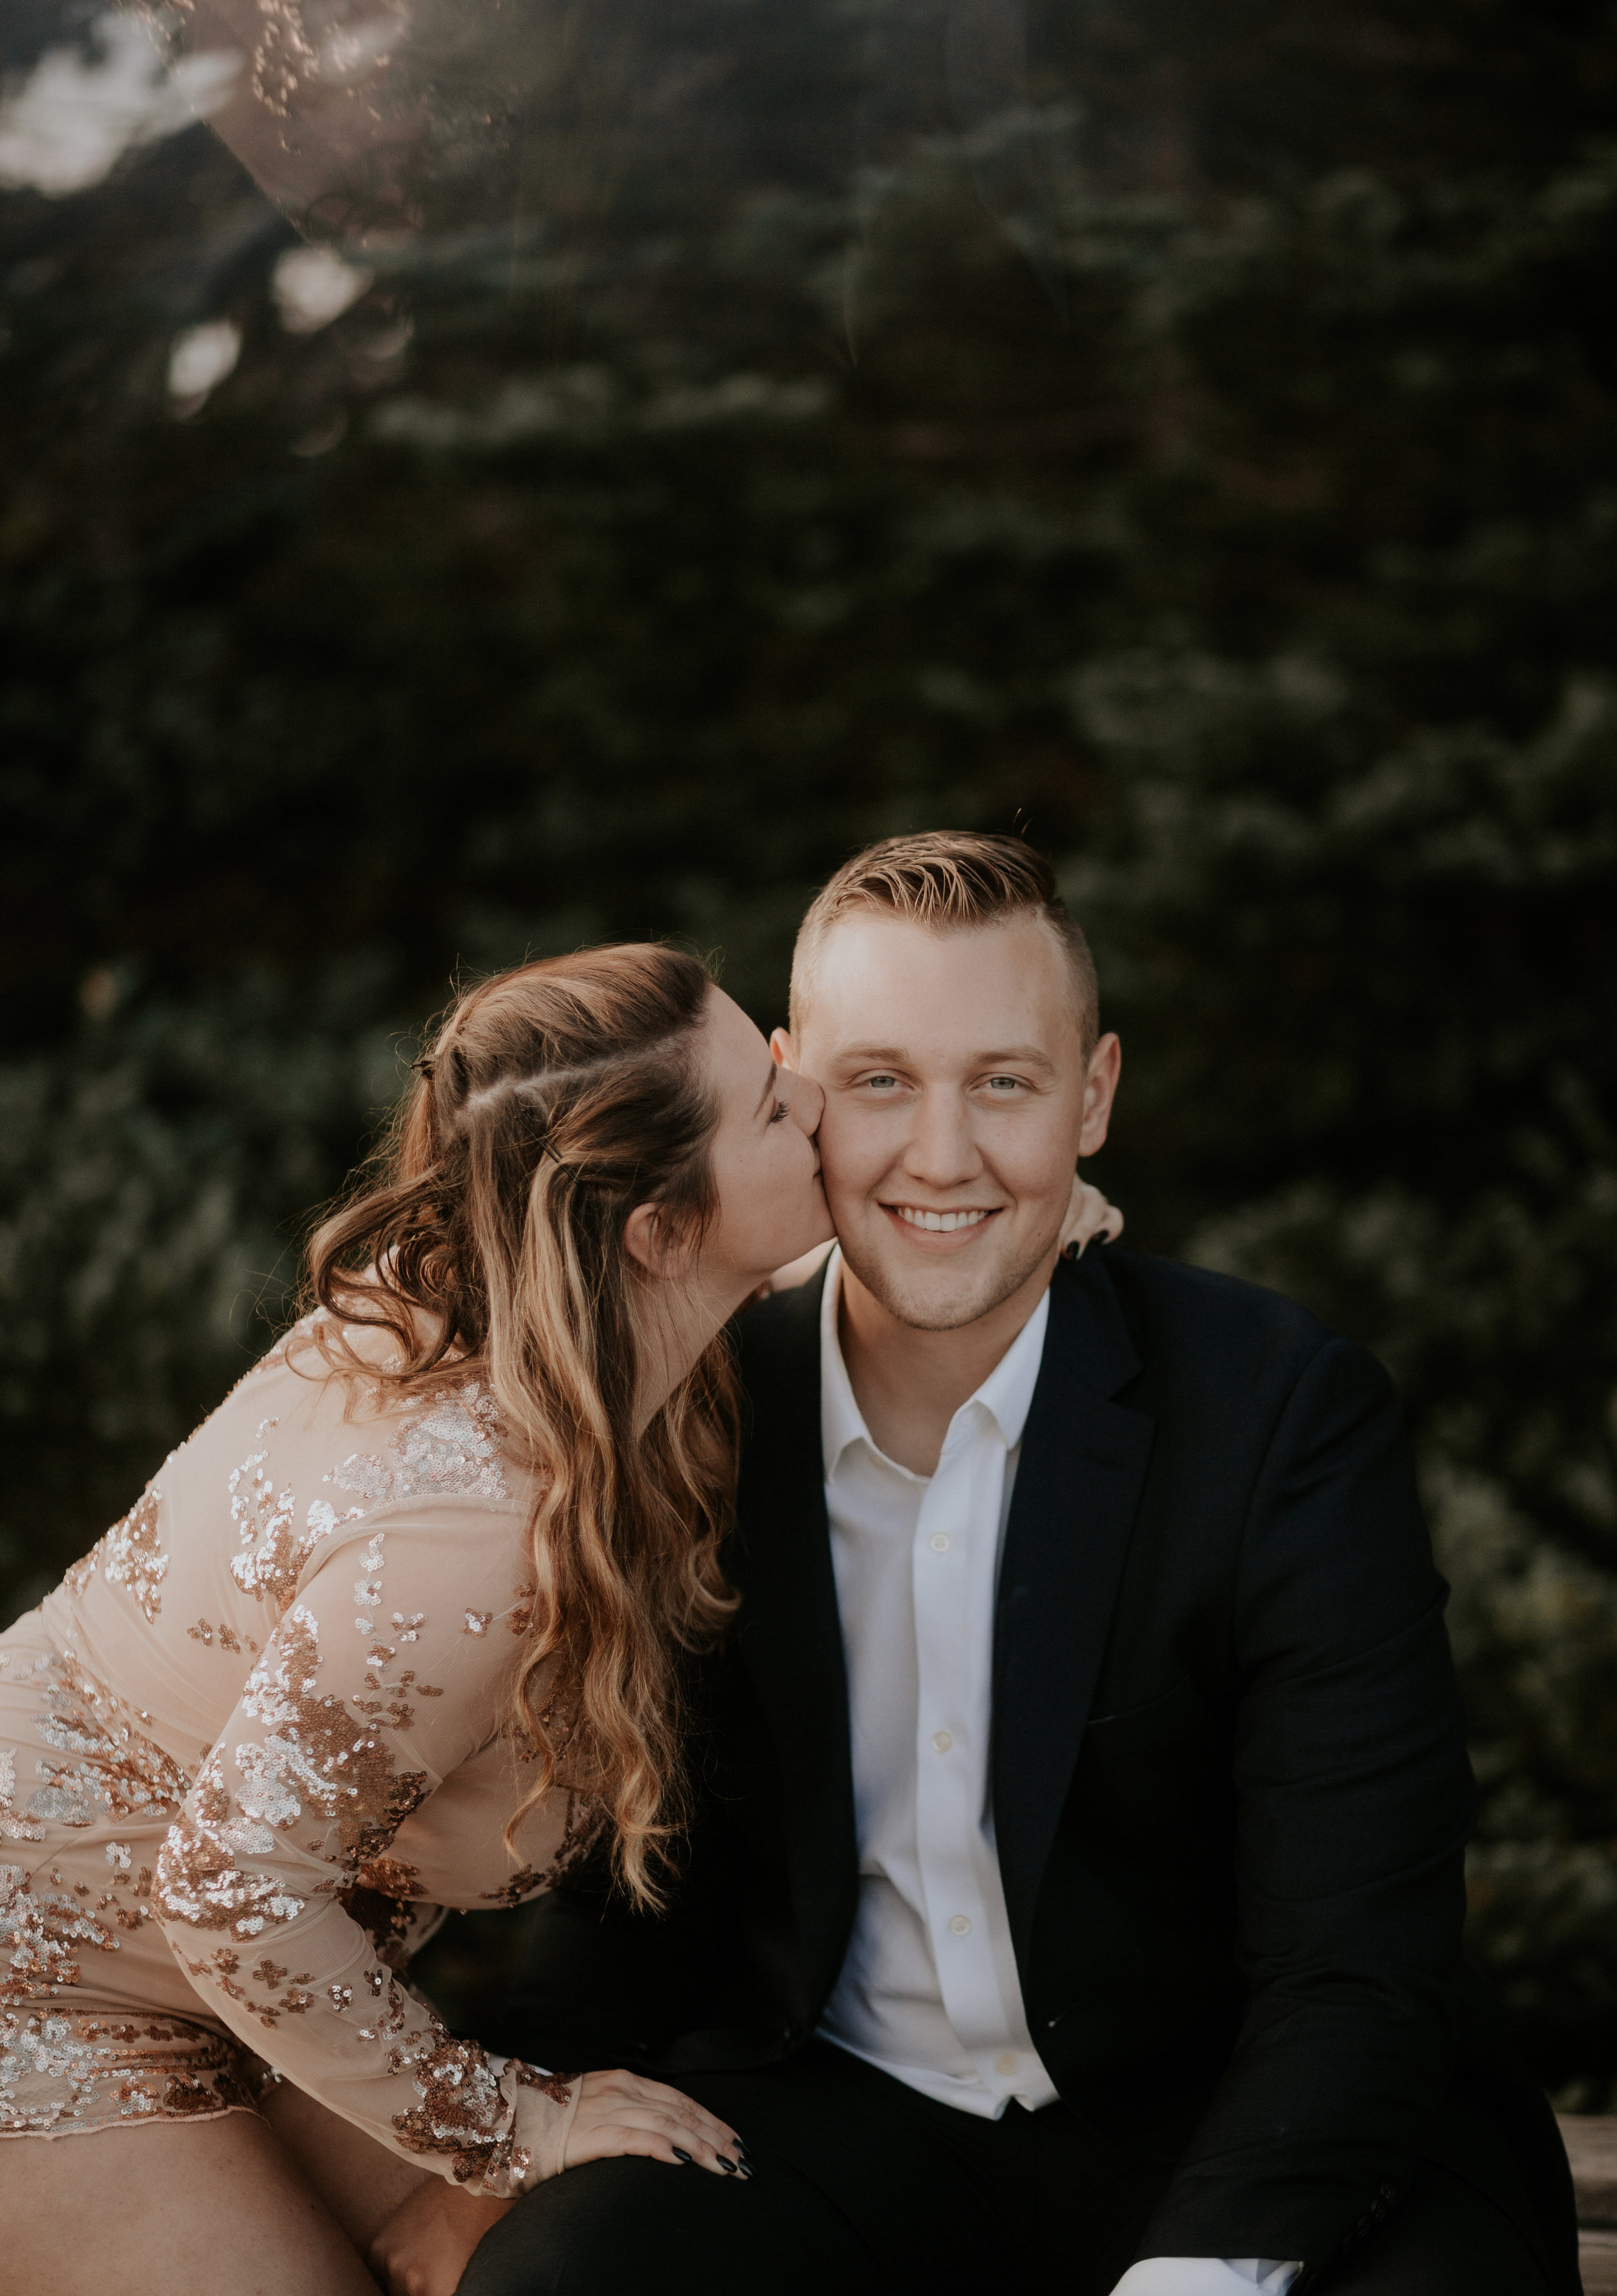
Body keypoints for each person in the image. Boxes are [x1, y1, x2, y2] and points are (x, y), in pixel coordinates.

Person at [384, 831, 1579, 2296]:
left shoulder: (1276, 1411)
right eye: (879, 1081)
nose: (939, 1155)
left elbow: (1358, 1959)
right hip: (844, 2127)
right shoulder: (698, 1406)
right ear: (790, 1087)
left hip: (1245, 2113)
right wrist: (510, 2143)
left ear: (1093, 1097)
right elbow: (636, 1886)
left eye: (1002, 1083)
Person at [0, 937, 1123, 2296]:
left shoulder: (540, 1303)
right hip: (49, 1985)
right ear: (653, 1229)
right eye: (771, 1103)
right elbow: (230, 1891)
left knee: (517, 2263)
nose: (814, 1097)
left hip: (223, 1965)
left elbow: (723, 1265)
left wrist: (975, 1229)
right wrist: (515, 2118)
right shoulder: (477, 1538)